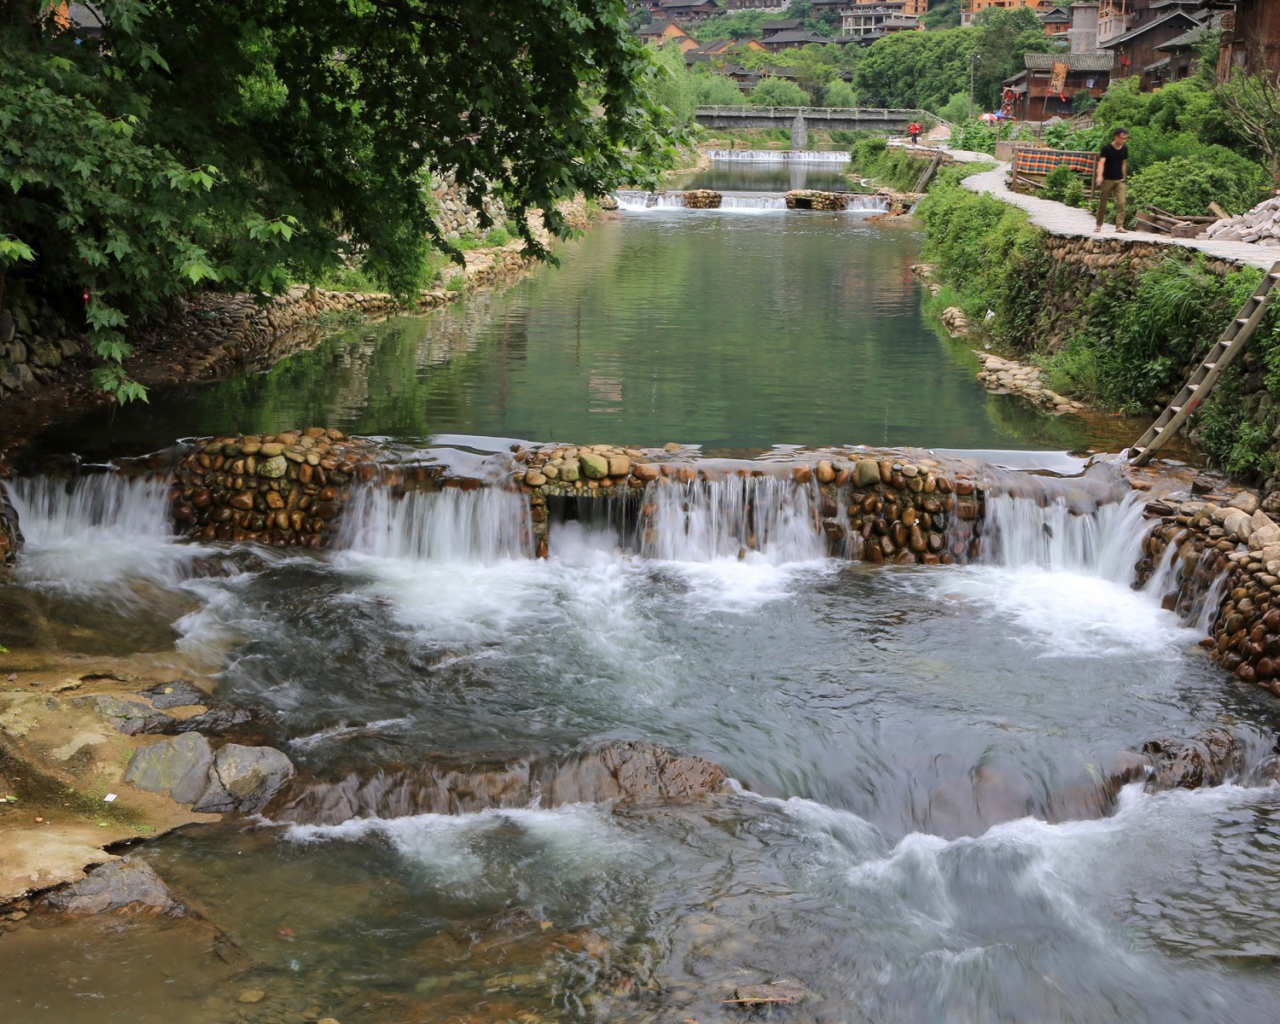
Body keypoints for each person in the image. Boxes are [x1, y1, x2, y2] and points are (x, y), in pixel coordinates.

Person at [1094, 128, 1129, 234]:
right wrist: (1100, 176)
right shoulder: (1106, 148)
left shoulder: (1124, 149)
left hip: (1119, 180)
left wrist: (1124, 176)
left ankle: (1119, 226)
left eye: (1126, 138)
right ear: (1116, 137)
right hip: (1108, 179)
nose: (1124, 140)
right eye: (1122, 138)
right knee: (1103, 203)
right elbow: (1102, 163)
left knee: (1122, 203)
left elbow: (1123, 163)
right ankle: (1098, 225)